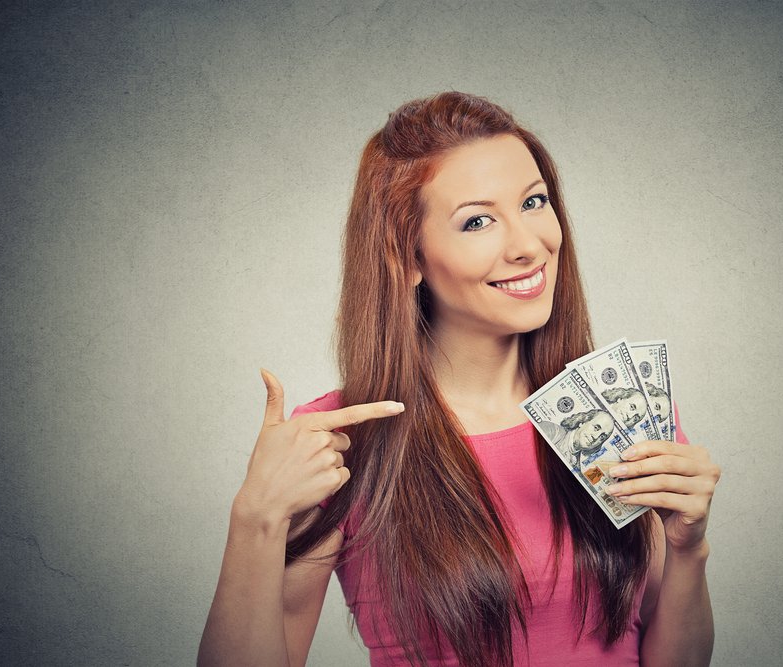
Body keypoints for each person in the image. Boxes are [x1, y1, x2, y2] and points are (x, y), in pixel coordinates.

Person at [198, 92, 721, 667]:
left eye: (534, 202)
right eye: (478, 221)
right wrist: (255, 518)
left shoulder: (620, 410)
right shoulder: (340, 440)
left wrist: (688, 549)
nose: (529, 246)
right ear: (408, 257)